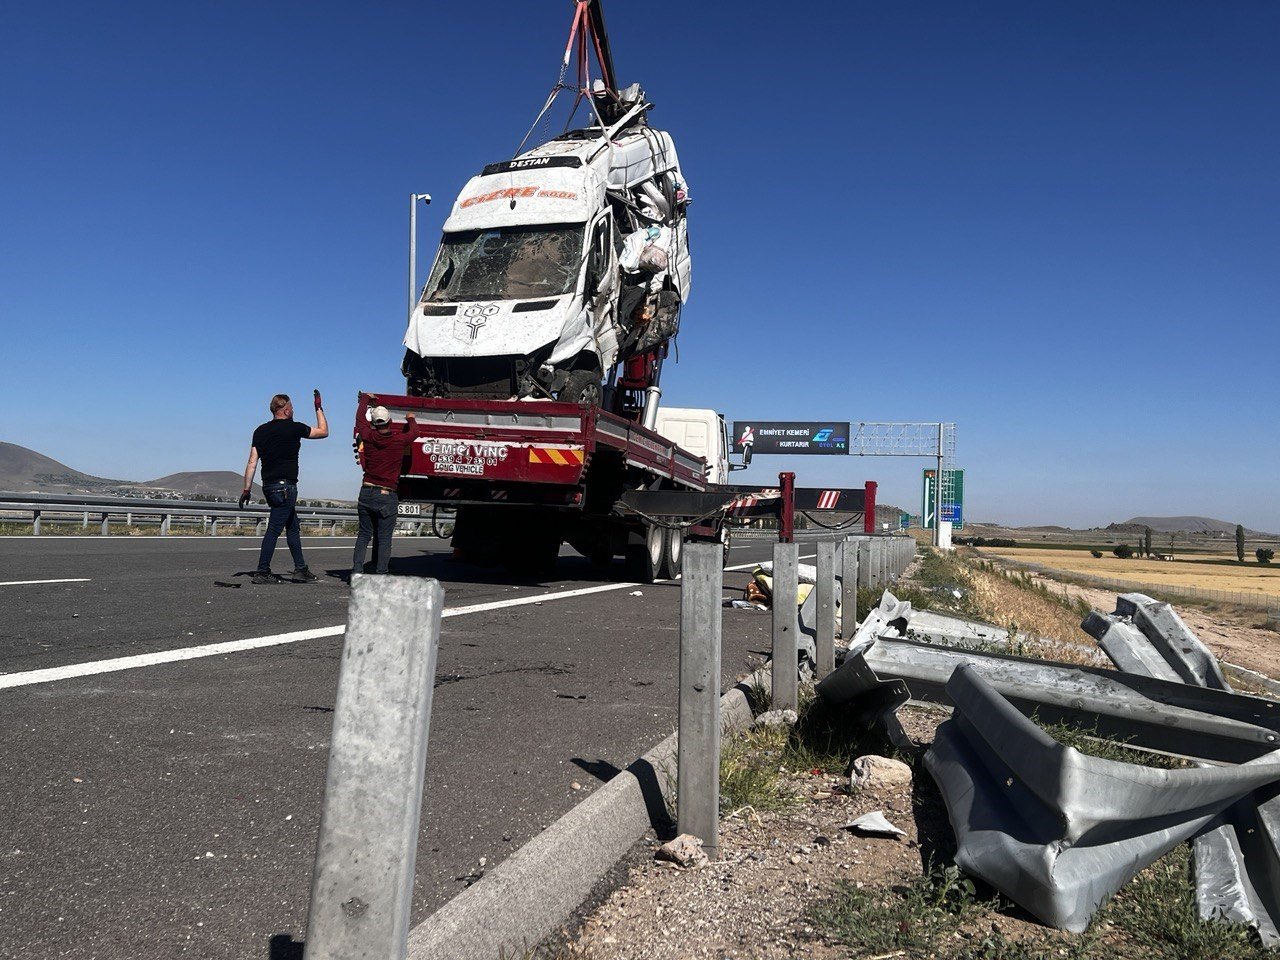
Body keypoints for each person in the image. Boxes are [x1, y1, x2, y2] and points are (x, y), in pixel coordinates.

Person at [241, 391, 329, 584]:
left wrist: (246, 489)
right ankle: (262, 572)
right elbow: (323, 431)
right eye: (292, 408)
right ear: (287, 410)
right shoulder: (294, 428)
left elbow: (252, 462)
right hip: (286, 488)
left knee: (292, 526)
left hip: (269, 486)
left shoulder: (260, 431)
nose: (293, 411)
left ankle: (300, 569)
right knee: (274, 529)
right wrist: (318, 407)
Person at [352, 403, 416, 576]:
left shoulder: (368, 436)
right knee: (384, 538)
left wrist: (365, 399)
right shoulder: (398, 441)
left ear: (373, 423)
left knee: (364, 535)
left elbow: (359, 419)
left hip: (366, 492)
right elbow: (415, 433)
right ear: (390, 421)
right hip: (386, 495)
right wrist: (410, 418)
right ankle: (381, 575)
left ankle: (357, 572)